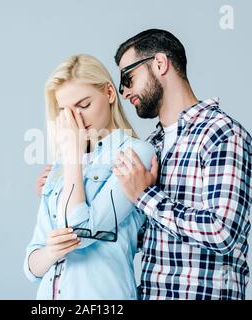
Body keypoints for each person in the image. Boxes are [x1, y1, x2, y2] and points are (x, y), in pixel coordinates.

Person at [112, 29, 252, 299]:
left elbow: (222, 233)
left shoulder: (222, 134)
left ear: (160, 64)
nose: (124, 92)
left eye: (128, 78)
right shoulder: (150, 146)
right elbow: (138, 238)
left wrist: (145, 196)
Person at [24, 54, 156, 299]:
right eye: (65, 111)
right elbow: (32, 265)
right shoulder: (59, 169)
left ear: (109, 93)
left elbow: (81, 232)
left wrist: (72, 154)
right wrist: (51, 252)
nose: (76, 119)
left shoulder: (137, 154)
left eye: (83, 105)